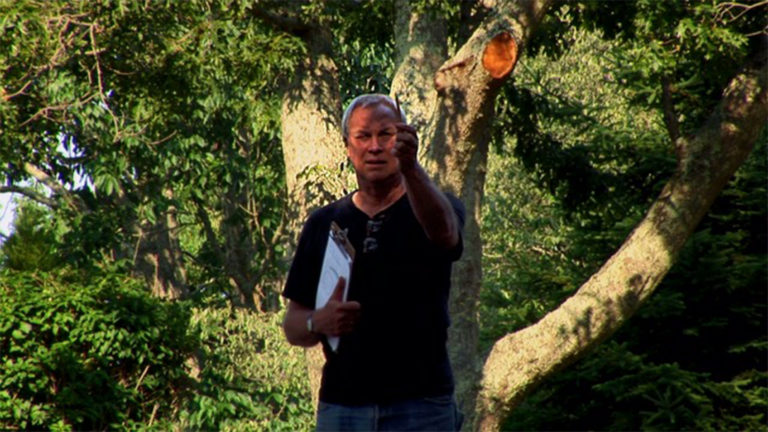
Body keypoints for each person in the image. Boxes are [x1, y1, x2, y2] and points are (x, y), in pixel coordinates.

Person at [282, 93, 465, 431]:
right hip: (342, 407)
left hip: (423, 406)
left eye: (386, 135)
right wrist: (317, 322)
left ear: (404, 140)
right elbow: (292, 324)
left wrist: (412, 169)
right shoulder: (324, 223)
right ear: (347, 147)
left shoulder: (437, 207)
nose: (375, 147)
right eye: (363, 136)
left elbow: (446, 235)